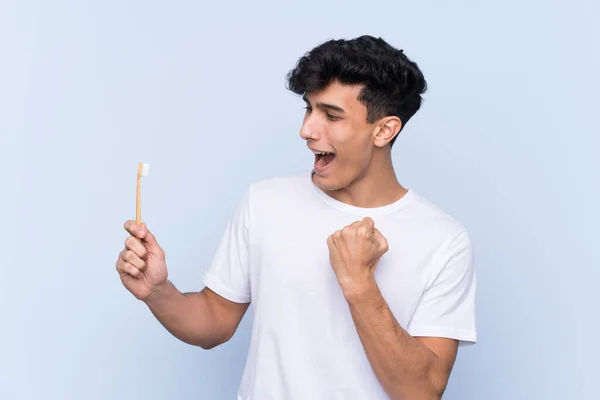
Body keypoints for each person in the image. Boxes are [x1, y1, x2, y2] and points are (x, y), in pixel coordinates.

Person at [116, 35, 476, 399]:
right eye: (309, 109)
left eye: (331, 115)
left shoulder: (443, 240)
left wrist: (359, 284)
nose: (307, 130)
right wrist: (158, 292)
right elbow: (214, 323)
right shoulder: (265, 202)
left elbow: (422, 391)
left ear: (384, 130)